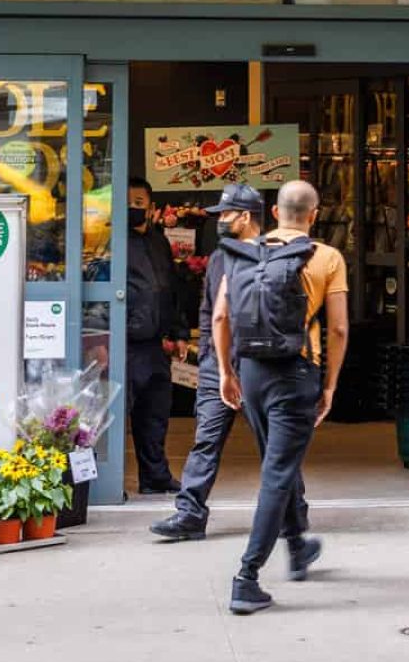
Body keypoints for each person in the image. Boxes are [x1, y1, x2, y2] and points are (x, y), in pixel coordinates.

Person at [212, 178, 349, 615]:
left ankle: (296, 545)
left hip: (251, 371)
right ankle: (246, 577)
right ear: (314, 214)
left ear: (273, 213)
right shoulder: (326, 257)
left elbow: (220, 316)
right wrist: (328, 385)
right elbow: (340, 328)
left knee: (278, 461)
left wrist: (225, 373)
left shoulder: (245, 251)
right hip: (296, 373)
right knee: (277, 472)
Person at [150, 182, 265, 542]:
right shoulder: (218, 259)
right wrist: (212, 362)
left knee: (273, 445)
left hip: (259, 368)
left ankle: (293, 512)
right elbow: (207, 312)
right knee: (206, 440)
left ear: (245, 217)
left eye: (226, 215)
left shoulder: (272, 257)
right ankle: (190, 513)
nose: (220, 221)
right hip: (220, 369)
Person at [125, 176, 187, 494]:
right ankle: (105, 483)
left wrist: (178, 333)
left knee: (155, 413)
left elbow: (171, 290)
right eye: (128, 203)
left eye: (139, 203)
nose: (133, 209)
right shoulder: (111, 241)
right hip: (124, 342)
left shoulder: (158, 241)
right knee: (118, 413)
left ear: (151, 207)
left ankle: (155, 476)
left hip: (155, 342)